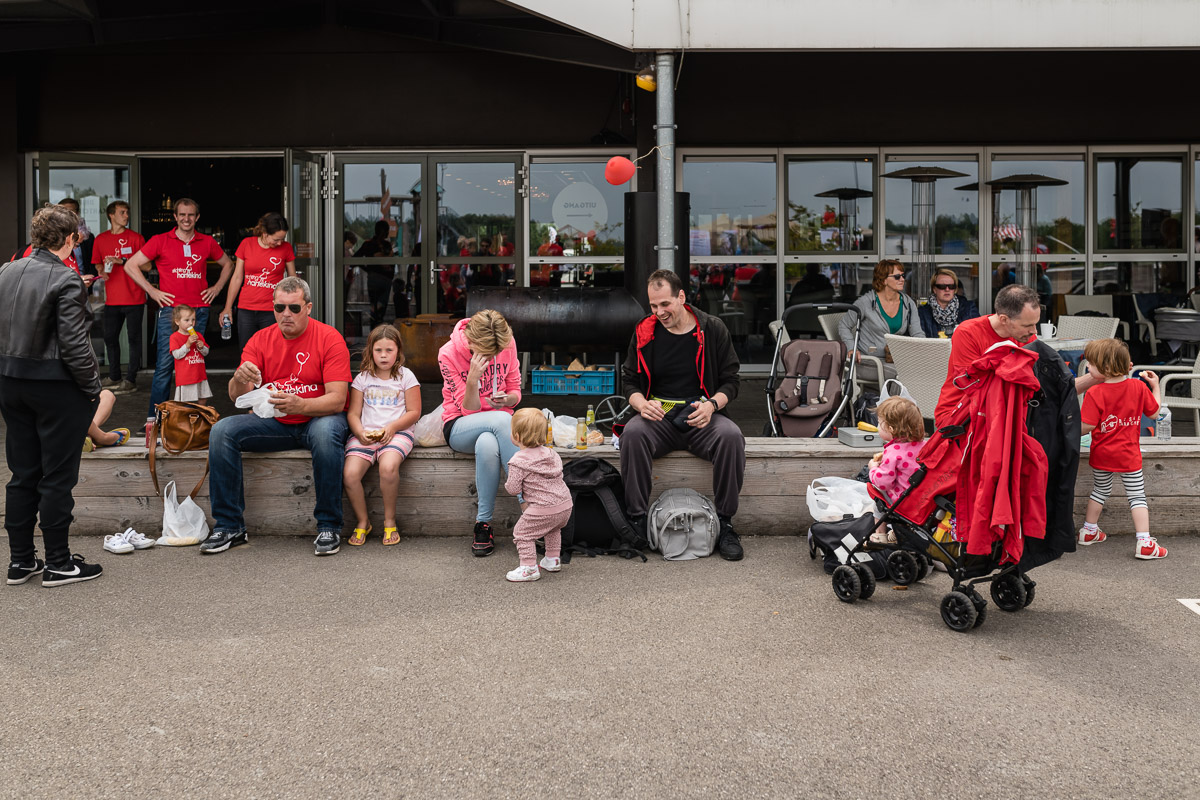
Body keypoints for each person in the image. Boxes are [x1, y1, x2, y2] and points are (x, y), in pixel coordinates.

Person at [202, 277, 351, 557]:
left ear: (308, 307)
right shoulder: (260, 339)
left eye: (294, 308)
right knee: (222, 431)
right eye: (280, 307)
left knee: (325, 433)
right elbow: (237, 397)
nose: (286, 314)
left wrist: (301, 405)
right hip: (276, 422)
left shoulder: (329, 337)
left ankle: (329, 525)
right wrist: (237, 379)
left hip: (318, 418)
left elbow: (337, 399)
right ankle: (230, 525)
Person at [0, 204, 104, 587]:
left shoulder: (6, 271)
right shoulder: (67, 279)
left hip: (10, 382)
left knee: (22, 474)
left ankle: (21, 561)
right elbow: (76, 347)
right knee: (57, 478)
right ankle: (58, 562)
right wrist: (93, 389)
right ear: (71, 239)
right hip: (56, 386)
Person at [619, 269, 746, 561]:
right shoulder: (644, 331)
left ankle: (725, 523)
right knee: (633, 433)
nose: (659, 312)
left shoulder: (711, 328)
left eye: (665, 304)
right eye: (653, 306)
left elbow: (732, 381)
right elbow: (629, 381)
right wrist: (640, 404)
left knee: (731, 436)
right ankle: (637, 521)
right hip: (659, 417)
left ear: (681, 297)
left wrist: (712, 405)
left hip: (700, 414)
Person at [121, 198, 234, 419]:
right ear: (175, 216)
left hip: (198, 311)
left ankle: (190, 419)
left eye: (190, 215)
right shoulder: (160, 240)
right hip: (171, 312)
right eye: (182, 214)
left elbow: (229, 264)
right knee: (164, 366)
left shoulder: (207, 241)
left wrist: (217, 288)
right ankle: (155, 419)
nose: (186, 219)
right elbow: (130, 265)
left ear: (197, 217)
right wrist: (151, 291)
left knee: (193, 363)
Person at [934, 284, 1099, 426]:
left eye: (1035, 324)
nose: (1034, 331)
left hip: (1005, 415)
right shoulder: (968, 333)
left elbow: (1045, 386)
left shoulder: (1027, 337)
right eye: (1028, 325)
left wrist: (1097, 376)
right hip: (961, 415)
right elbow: (971, 387)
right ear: (1004, 320)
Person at [438, 309, 522, 557]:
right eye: (487, 353)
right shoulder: (448, 353)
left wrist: (506, 398)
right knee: (502, 419)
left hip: (497, 425)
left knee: (487, 443)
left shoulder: (506, 342)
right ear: (471, 341)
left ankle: (482, 524)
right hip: (459, 425)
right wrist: (473, 380)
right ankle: (529, 505)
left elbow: (516, 392)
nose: (494, 356)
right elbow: (468, 410)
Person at [1078, 339, 1167, 560]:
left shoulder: (1095, 392)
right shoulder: (1138, 387)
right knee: (1137, 497)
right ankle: (1145, 542)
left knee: (1100, 491)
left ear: (1106, 368)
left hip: (1102, 453)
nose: (1088, 367)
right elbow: (1155, 413)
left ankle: (1089, 531)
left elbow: (1086, 426)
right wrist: (1155, 386)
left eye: (1091, 364)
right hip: (1128, 456)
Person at [343, 324, 422, 547]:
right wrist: (359, 432)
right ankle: (362, 521)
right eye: (378, 350)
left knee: (388, 468)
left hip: (397, 433)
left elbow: (414, 412)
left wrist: (393, 427)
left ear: (398, 351)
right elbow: (353, 413)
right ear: (371, 350)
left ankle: (389, 521)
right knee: (350, 474)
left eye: (389, 350)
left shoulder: (406, 377)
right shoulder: (363, 379)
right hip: (366, 433)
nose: (384, 355)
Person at [502, 407, 572, 582]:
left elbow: (513, 489)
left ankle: (529, 568)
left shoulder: (519, 461)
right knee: (553, 528)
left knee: (522, 533)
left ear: (517, 436)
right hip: (565, 504)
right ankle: (552, 559)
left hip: (543, 508)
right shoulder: (552, 453)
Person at [837, 259, 925, 384]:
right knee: (902, 376)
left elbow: (917, 333)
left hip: (896, 360)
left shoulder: (908, 303)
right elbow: (844, 325)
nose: (902, 279)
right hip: (869, 362)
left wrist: (925, 349)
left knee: (924, 372)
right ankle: (893, 404)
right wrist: (852, 348)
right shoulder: (866, 302)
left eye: (903, 276)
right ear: (883, 280)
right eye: (897, 276)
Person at [220, 212, 297, 348]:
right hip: (246, 309)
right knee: (247, 351)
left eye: (282, 239)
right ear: (265, 233)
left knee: (271, 352)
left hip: (272, 310)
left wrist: (295, 305)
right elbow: (237, 277)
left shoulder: (286, 248)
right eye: (276, 239)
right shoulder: (246, 244)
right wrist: (227, 308)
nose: (280, 243)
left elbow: (292, 279)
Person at [91, 200, 145, 394]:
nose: (126, 216)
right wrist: (101, 271)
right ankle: (114, 375)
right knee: (110, 337)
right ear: (111, 215)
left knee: (134, 339)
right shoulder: (100, 239)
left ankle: (130, 380)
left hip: (135, 298)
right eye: (122, 212)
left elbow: (147, 266)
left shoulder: (136, 238)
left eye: (127, 213)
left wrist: (122, 261)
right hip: (112, 299)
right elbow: (97, 263)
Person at [867, 396, 926, 544]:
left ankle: (880, 534)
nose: (878, 426)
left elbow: (883, 482)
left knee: (878, 497)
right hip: (924, 500)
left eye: (880, 424)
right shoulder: (925, 446)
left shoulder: (893, 452)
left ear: (891, 429)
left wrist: (873, 469)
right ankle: (899, 532)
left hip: (902, 502)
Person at [354, 220, 396, 328]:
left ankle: (374, 328)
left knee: (374, 305)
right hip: (385, 279)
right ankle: (378, 328)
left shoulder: (368, 244)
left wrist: (367, 269)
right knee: (381, 305)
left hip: (374, 278)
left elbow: (355, 258)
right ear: (385, 231)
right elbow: (391, 261)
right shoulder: (386, 245)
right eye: (387, 231)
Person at [917, 268, 980, 338]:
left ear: (955, 289)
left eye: (951, 286)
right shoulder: (923, 313)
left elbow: (978, 335)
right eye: (942, 286)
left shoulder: (969, 308)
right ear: (934, 289)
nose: (947, 289)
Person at [169, 304, 211, 404]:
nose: (191, 323)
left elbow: (206, 352)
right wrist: (187, 344)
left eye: (193, 320)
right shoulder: (174, 337)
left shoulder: (198, 335)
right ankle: (186, 418)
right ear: (177, 321)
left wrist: (201, 347)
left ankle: (201, 416)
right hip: (186, 377)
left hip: (200, 374)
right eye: (187, 320)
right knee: (185, 401)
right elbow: (176, 355)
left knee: (203, 397)